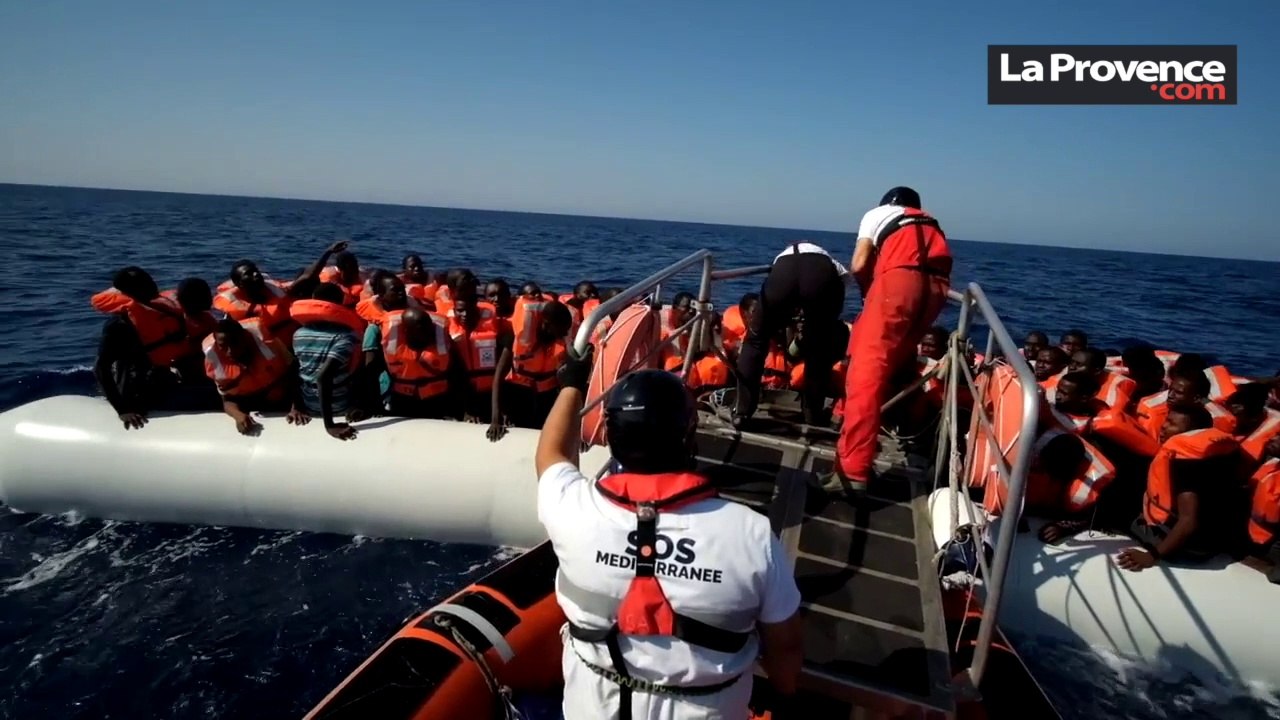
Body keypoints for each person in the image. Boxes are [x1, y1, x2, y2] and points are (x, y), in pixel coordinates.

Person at [534, 357, 804, 720]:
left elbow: (551, 455)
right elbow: (785, 651)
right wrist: (784, 695)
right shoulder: (751, 534)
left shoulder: (572, 509)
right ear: (688, 436)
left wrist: (571, 384)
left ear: (611, 438)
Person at [831, 186, 953, 491]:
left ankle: (853, 471)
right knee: (896, 356)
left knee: (865, 374)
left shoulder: (877, 214)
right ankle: (879, 418)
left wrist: (868, 291)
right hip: (935, 291)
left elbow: (859, 264)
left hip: (897, 286)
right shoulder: (930, 223)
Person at [734, 242, 848, 429]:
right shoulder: (829, 262)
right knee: (820, 346)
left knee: (755, 342)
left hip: (782, 278)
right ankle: (812, 414)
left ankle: (742, 412)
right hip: (821, 279)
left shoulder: (782, 259)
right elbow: (842, 285)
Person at [1117, 404, 1241, 571]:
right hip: (1217, 538)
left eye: (1172, 424)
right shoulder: (1221, 454)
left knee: (1120, 510)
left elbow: (1188, 521)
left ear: (1190, 432)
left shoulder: (1185, 462)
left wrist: (1151, 556)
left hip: (1191, 550)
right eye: (1166, 421)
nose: (1163, 427)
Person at [92, 266, 215, 429]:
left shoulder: (159, 310)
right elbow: (101, 368)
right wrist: (123, 410)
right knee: (218, 397)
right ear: (128, 291)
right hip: (139, 392)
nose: (152, 285)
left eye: (149, 280)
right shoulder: (120, 325)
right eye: (142, 284)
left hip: (162, 378)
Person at [203, 317, 308, 435]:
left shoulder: (269, 344)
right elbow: (227, 400)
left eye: (234, 343)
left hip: (285, 399)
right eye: (223, 346)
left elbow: (294, 372)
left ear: (244, 337)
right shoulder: (215, 361)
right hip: (253, 405)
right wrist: (237, 415)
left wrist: (297, 406)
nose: (230, 351)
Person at [489, 299, 573, 440]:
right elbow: (498, 376)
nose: (565, 334)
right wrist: (495, 418)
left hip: (546, 397)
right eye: (561, 329)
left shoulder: (558, 339)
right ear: (546, 324)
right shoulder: (515, 336)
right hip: (519, 394)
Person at [291, 283, 365, 440]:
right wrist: (329, 425)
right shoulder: (345, 337)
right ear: (340, 304)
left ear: (313, 301)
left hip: (308, 403)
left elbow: (295, 371)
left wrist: (296, 405)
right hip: (339, 406)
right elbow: (323, 377)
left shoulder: (299, 334)